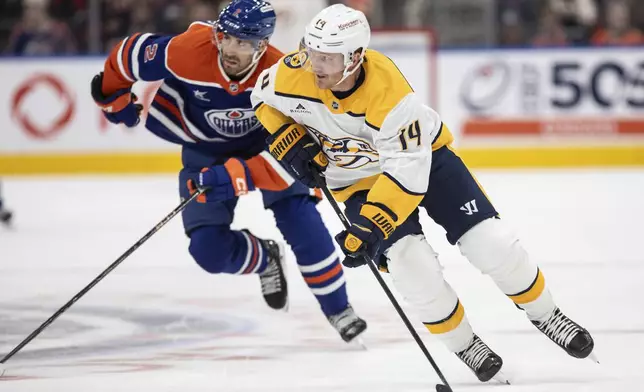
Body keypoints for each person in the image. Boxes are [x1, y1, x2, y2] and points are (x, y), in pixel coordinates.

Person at [251, 3, 595, 382]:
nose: (314, 64)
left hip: (424, 163)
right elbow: (260, 99)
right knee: (411, 265)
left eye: (327, 58)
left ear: (354, 58)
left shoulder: (392, 96)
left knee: (491, 243)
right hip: (355, 182)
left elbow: (407, 175)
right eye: (311, 51)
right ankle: (465, 344)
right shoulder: (293, 71)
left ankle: (547, 314)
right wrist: (284, 134)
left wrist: (370, 226)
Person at [90, 0, 366, 343]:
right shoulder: (188, 50)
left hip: (267, 146)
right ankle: (265, 258)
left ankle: (338, 309)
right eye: (227, 38)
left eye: (244, 42)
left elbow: (293, 150)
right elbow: (127, 55)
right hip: (204, 148)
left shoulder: (280, 75)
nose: (230, 49)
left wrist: (238, 175)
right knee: (207, 249)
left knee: (301, 220)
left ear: (262, 45)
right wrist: (111, 97)